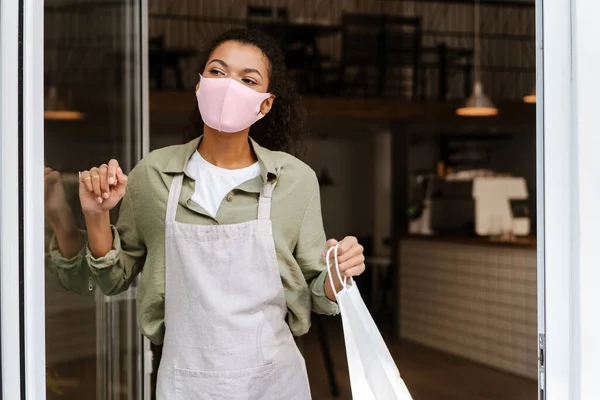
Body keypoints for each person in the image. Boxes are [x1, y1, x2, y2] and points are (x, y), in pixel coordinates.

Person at [50, 28, 366, 399]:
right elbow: (111, 279)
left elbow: (317, 293)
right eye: (217, 72)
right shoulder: (153, 174)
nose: (229, 85)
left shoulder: (294, 181)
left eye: (248, 79)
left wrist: (337, 272)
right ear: (199, 85)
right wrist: (95, 216)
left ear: (264, 104)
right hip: (185, 383)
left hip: (274, 382)